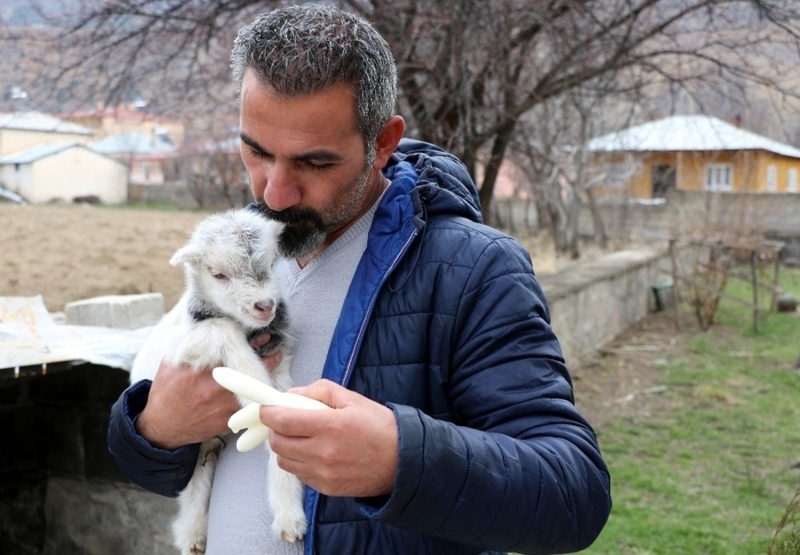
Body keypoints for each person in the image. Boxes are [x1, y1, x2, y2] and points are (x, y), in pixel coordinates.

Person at [107, 5, 612, 554]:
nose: (275, 194)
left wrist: (400, 460)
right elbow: (154, 465)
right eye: (256, 151)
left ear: (384, 141)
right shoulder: (235, 249)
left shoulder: (474, 271)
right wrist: (156, 428)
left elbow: (573, 496)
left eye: (315, 163)